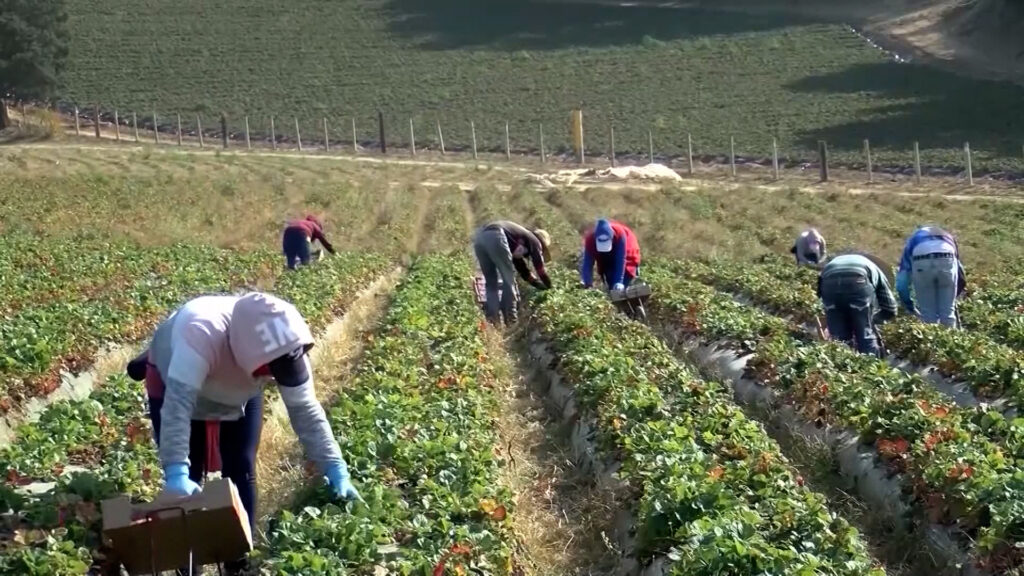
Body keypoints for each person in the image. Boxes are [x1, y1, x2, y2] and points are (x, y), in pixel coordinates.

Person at [126, 292, 359, 574]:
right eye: (270, 370)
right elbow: (176, 408)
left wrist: (335, 466)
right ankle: (189, 564)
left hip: (236, 389)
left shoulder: (284, 344)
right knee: (190, 473)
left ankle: (237, 560)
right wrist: (176, 471)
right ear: (247, 353)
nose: (274, 377)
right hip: (174, 380)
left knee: (241, 465)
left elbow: (306, 411)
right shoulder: (199, 334)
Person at [817, 252, 899, 357]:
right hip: (857, 280)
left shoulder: (836, 262)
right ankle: (870, 365)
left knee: (839, 338)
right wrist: (872, 320)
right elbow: (891, 307)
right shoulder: (876, 270)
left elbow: (820, 295)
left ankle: (842, 366)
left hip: (828, 281)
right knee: (865, 334)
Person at [472, 221, 552, 325]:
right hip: (496, 236)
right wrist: (548, 285)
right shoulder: (535, 241)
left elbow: (522, 269)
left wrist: (536, 283)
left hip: (480, 239)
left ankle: (493, 320)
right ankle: (511, 320)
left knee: (491, 282)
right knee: (508, 280)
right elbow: (540, 268)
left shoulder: (516, 240)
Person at [896, 225, 966, 327]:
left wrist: (908, 304)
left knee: (928, 314)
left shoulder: (913, 240)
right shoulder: (948, 237)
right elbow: (960, 275)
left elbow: (902, 279)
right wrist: (953, 296)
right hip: (947, 256)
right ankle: (950, 339)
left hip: (921, 260)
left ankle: (931, 338)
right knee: (948, 313)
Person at [580, 218, 641, 291]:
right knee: (611, 283)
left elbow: (620, 259)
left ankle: (629, 285)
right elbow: (587, 264)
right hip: (605, 257)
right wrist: (587, 284)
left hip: (626, 250)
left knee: (623, 281)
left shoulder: (620, 234)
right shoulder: (590, 240)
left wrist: (619, 282)